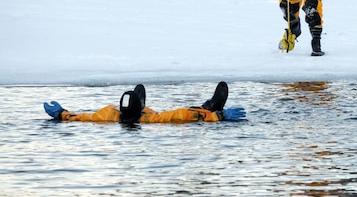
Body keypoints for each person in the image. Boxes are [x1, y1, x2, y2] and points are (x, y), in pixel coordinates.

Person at [43, 81, 246, 124]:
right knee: (193, 113)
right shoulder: (152, 120)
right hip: (146, 114)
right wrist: (219, 115)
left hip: (132, 114)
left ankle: (210, 107)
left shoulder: (108, 114)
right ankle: (211, 105)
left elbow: (80, 117)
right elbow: (184, 114)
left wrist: (61, 113)